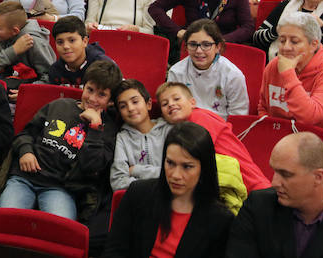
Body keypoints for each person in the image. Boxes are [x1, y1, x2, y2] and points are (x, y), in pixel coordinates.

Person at [0, 59, 122, 245]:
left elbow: (92, 166)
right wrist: (26, 151)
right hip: (24, 178)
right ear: (83, 86)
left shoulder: (108, 129)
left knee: (63, 237)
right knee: (4, 224)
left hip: (61, 188)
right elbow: (26, 133)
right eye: (90, 90)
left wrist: (95, 128)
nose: (93, 99)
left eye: (102, 95)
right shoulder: (60, 105)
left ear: (111, 101)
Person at [226, 132, 323, 257]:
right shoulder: (257, 206)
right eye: (275, 171)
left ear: (318, 177)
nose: (274, 182)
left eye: (286, 175)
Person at [257, 12, 323, 191]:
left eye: (294, 41)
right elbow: (264, 107)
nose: (286, 47)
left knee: (305, 201)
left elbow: (309, 116)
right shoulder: (273, 66)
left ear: (314, 44)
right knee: (257, 192)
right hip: (288, 151)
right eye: (282, 40)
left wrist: (289, 75)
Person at [105, 121, 234, 257]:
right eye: (170, 163)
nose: (176, 175)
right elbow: (114, 251)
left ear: (204, 169)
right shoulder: (139, 193)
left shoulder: (221, 220)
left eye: (187, 166)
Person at [157, 82, 270, 192]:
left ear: (192, 103)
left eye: (176, 99)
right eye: (165, 104)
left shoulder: (199, 117)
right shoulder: (181, 127)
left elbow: (192, 156)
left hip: (252, 186)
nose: (171, 104)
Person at [166, 19, 248, 118]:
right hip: (186, 127)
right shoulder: (176, 72)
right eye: (192, 44)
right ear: (186, 46)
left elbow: (238, 116)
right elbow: (172, 112)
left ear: (218, 47)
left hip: (221, 129)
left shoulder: (233, 75)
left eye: (206, 45)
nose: (199, 51)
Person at [109, 79, 171, 190]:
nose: (130, 108)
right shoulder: (122, 138)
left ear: (148, 104)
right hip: (139, 201)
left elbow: (175, 173)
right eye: (123, 106)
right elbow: (118, 182)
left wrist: (136, 170)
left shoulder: (168, 130)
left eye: (135, 102)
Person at [0, 0, 56, 92]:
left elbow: (51, 78)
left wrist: (26, 91)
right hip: (0, 86)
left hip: (30, 92)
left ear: (15, 31)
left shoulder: (35, 43)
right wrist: (13, 51)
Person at [46, 16, 113, 88]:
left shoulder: (104, 66)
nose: (65, 46)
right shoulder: (55, 70)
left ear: (85, 41)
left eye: (72, 40)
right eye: (60, 42)